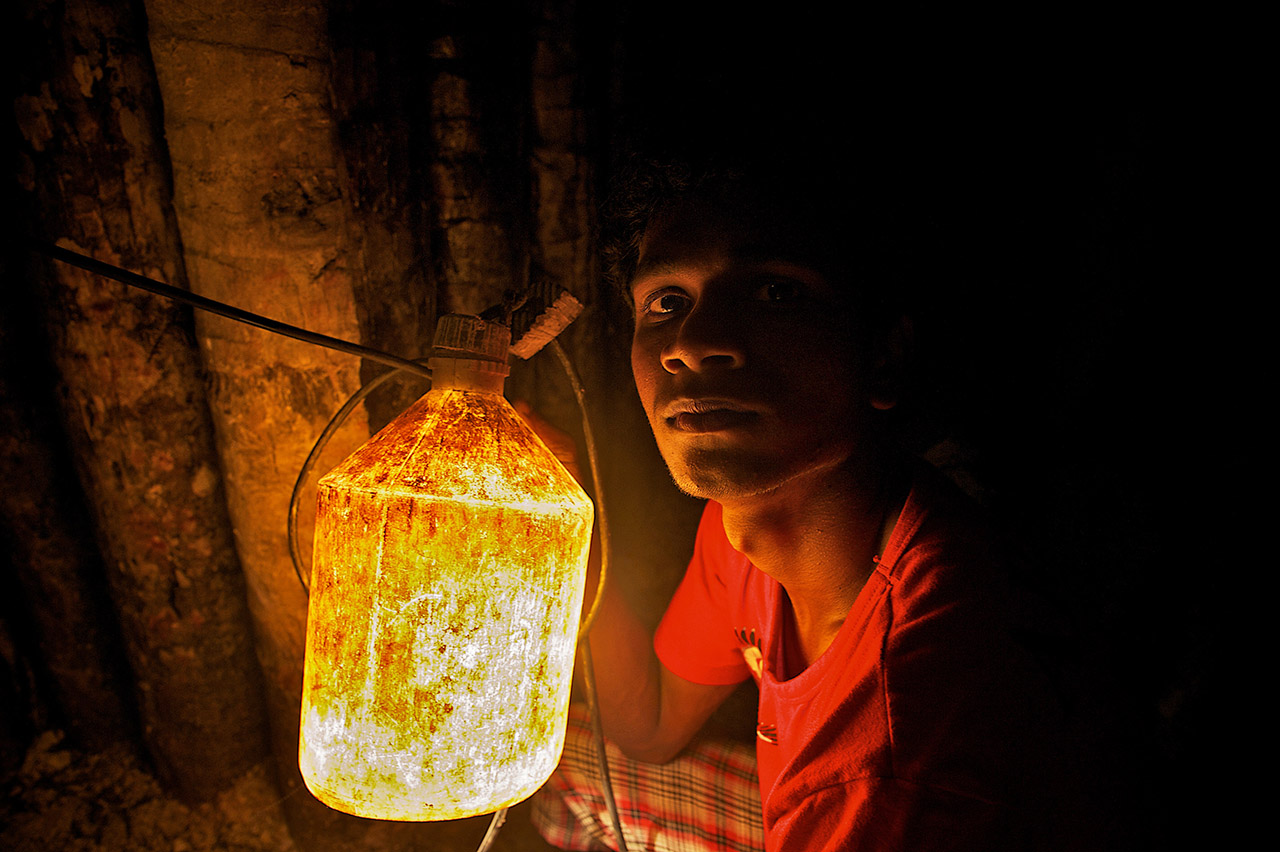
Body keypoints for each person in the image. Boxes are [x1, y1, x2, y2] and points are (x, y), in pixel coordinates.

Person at [531, 155, 1079, 852]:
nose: (695, 345)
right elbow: (653, 722)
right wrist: (557, 532)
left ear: (882, 356)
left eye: (774, 294)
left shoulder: (894, 753)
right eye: (667, 302)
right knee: (563, 766)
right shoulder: (745, 531)